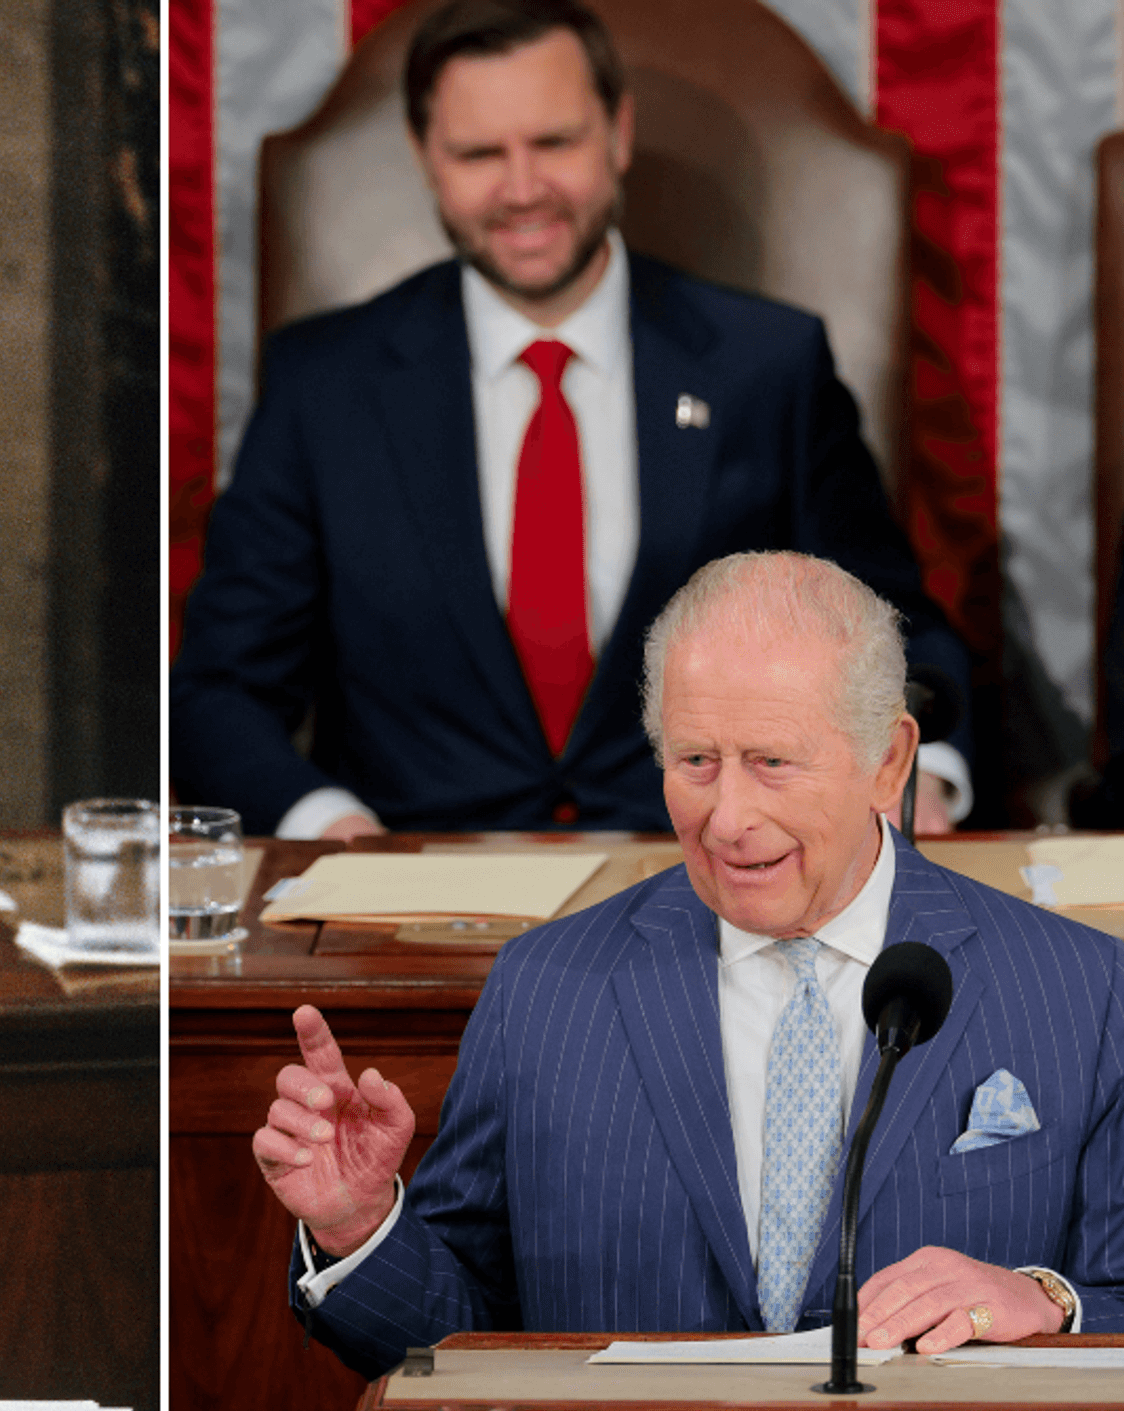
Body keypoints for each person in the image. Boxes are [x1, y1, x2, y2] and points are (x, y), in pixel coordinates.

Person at [253, 551, 1119, 1381]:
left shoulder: (1080, 990)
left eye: (772, 763)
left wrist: (1049, 1299)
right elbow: (453, 1342)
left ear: (888, 761)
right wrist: (360, 1226)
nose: (728, 817)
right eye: (696, 761)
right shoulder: (545, 992)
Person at [170, 0, 971, 842]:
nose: (523, 189)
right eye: (480, 153)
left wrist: (926, 782)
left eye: (554, 143)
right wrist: (332, 826)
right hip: (412, 898)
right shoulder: (323, 385)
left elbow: (895, 640)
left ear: (617, 134)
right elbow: (220, 690)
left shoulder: (768, 365)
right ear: (425, 159)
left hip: (713, 875)